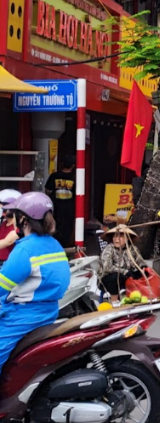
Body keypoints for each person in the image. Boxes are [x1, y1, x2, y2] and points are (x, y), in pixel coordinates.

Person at [0, 193, 70, 375]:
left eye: (14, 214)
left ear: (23, 219)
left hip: (22, 317)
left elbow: (1, 285)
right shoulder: (54, 244)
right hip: (48, 311)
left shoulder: (25, 249)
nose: (11, 219)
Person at [99, 225, 148, 302]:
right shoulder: (109, 249)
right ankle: (114, 301)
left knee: (145, 273)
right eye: (115, 236)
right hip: (108, 278)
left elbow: (140, 261)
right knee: (115, 277)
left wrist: (143, 268)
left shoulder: (132, 249)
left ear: (127, 238)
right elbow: (107, 268)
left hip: (127, 276)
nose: (116, 239)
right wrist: (125, 271)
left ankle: (143, 297)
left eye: (120, 236)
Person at [44, 156, 76, 248]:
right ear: (73, 166)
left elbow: (47, 190)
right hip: (69, 208)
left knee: (54, 226)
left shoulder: (54, 176)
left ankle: (55, 246)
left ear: (61, 164)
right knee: (67, 228)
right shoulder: (75, 178)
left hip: (56, 207)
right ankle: (65, 247)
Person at [0, 190, 22, 268]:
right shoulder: (3, 223)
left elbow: (7, 242)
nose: (3, 210)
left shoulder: (17, 229)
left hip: (6, 262)